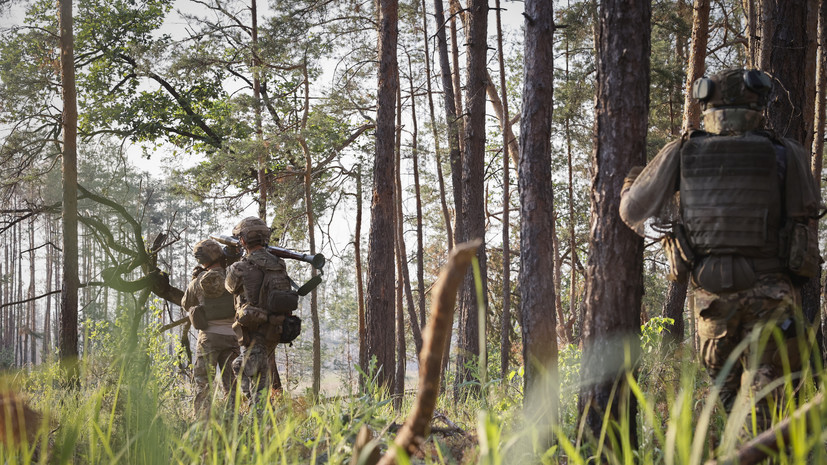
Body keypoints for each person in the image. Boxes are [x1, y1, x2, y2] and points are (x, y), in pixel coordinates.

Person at [619, 68, 821, 433]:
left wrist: (630, 182)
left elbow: (632, 211)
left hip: (714, 300)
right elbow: (806, 214)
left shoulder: (682, 149)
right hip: (771, 295)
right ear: (758, 104)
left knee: (727, 394)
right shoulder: (785, 152)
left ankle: (739, 448)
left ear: (706, 104)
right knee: (771, 398)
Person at [225, 217, 298, 403]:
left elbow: (229, 286)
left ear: (243, 240)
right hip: (275, 329)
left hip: (255, 330)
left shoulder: (240, 267)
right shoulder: (279, 264)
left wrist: (232, 258)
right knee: (246, 367)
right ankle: (261, 415)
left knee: (256, 381)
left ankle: (260, 422)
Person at [181, 238, 240, 418]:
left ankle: (201, 425)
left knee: (203, 384)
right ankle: (232, 424)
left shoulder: (197, 281)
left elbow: (185, 304)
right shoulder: (232, 277)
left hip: (208, 338)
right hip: (232, 337)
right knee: (232, 385)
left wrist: (195, 279)